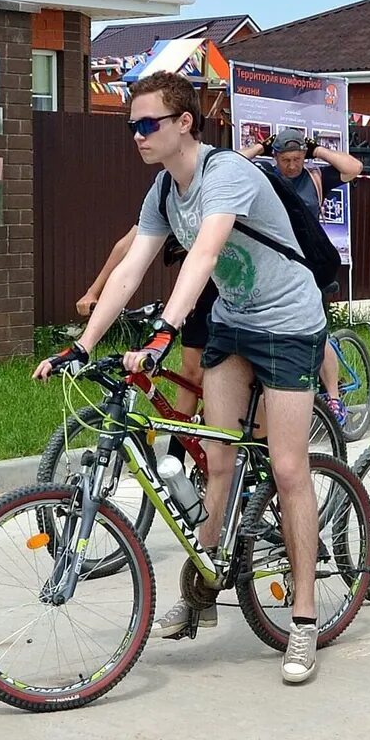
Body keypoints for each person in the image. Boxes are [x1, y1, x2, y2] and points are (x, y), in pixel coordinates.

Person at [44, 68, 331, 686]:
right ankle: (203, 592)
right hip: (234, 320)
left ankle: (303, 616)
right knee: (217, 458)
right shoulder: (162, 192)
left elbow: (204, 253)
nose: (138, 135)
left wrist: (165, 332)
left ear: (184, 124)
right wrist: (82, 344)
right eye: (132, 126)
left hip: (288, 322)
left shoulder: (227, 174)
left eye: (148, 124)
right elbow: (132, 265)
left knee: (287, 468)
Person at [258, 128, 367, 418]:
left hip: (312, 266)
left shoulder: (317, 178)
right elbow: (230, 166)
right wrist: (260, 147)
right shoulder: (265, 176)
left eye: (297, 159)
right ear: (275, 158)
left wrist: (316, 150)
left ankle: (333, 399)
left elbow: (354, 168)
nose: (292, 166)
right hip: (277, 267)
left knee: (316, 333)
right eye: (285, 159)